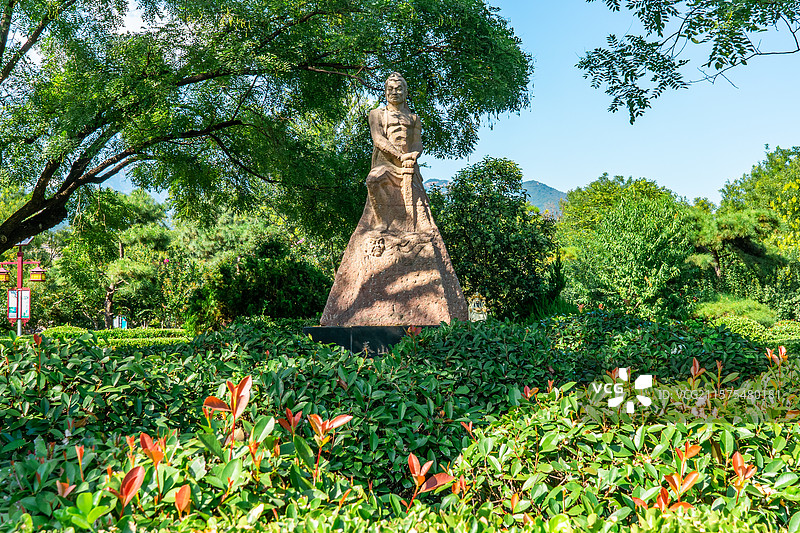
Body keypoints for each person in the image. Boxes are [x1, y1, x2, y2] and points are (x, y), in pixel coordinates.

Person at [366, 72, 428, 232]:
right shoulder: (376, 114)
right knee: (373, 180)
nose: (394, 92)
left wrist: (413, 155)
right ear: (385, 92)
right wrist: (400, 156)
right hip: (386, 164)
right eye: (391, 89)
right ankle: (381, 221)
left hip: (408, 165)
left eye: (399, 89)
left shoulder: (414, 118)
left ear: (405, 92)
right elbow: (378, 139)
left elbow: (417, 142)